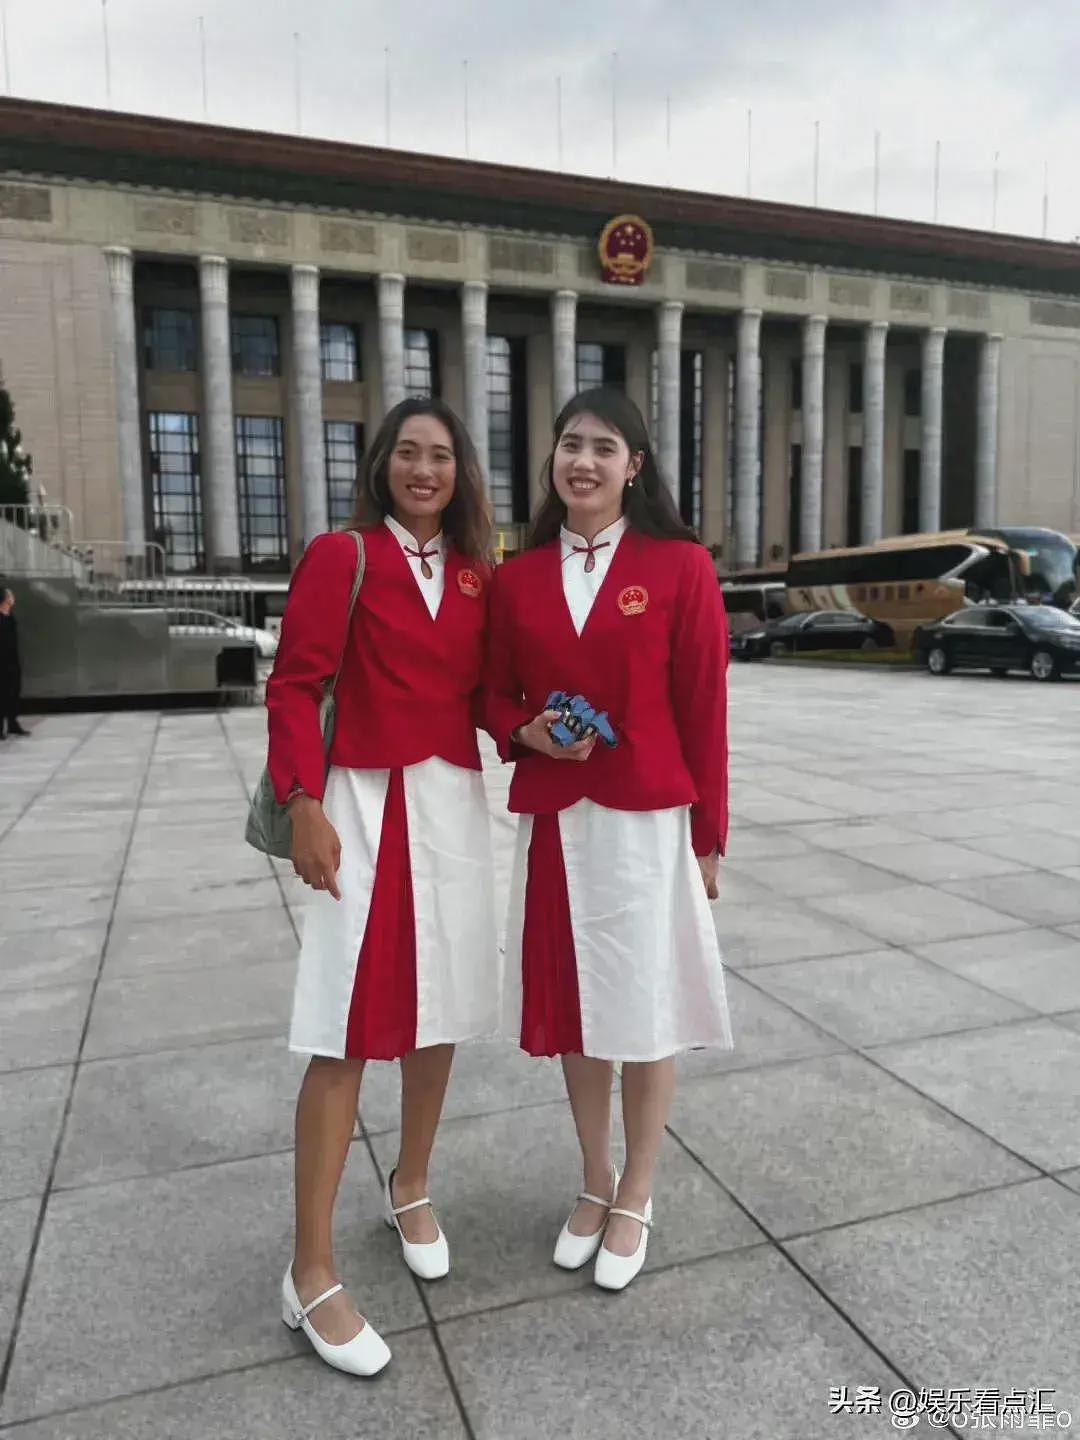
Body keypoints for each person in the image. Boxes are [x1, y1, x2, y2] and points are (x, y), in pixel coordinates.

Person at [265, 397, 499, 1377]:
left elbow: (486, 695)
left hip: (450, 806)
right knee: (345, 1026)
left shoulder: (479, 575)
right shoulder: (342, 556)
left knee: (437, 1011)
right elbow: (292, 683)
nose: (423, 468)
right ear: (381, 464)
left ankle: (410, 1182)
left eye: (441, 455)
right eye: (407, 452)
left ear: (461, 472)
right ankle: (309, 1270)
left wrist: (545, 728)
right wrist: (300, 801)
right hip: (359, 808)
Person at [485, 386, 732, 1293]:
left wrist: (710, 835)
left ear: (635, 465)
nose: (582, 461)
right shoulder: (515, 579)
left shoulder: (679, 566)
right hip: (557, 818)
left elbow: (705, 706)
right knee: (577, 1008)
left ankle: (637, 1191)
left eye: (603, 447)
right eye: (568, 445)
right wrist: (525, 730)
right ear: (552, 461)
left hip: (646, 817)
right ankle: (591, 1181)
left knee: (645, 1003)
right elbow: (491, 694)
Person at [0, 588, 27, 739]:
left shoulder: (10, 616)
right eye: (10, 595)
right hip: (2, 663)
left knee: (13, 693)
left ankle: (12, 724)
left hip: (12, 662)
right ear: (4, 599)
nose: (13, 597)